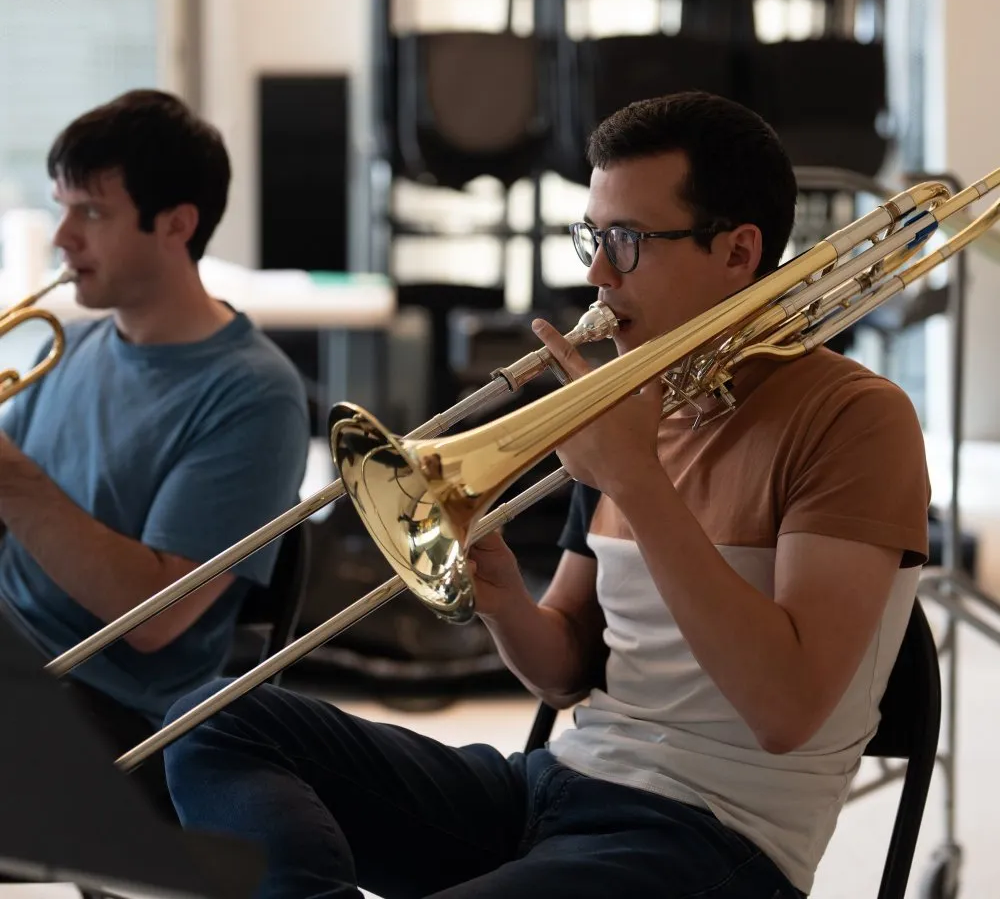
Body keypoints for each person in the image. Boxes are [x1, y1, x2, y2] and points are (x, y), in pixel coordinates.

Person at [163, 92, 930, 898]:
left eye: (629, 241)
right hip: (554, 787)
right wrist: (503, 600)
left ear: (739, 252)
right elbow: (567, 669)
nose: (597, 273)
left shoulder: (855, 418)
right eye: (593, 238)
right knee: (214, 721)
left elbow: (786, 711)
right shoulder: (635, 404)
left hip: (711, 840)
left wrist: (636, 480)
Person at [0, 90, 311, 805]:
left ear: (177, 224)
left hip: (106, 712)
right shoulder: (68, 348)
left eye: (92, 213)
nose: (62, 237)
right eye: (60, 207)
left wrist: (10, 477)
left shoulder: (255, 394)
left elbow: (153, 616)